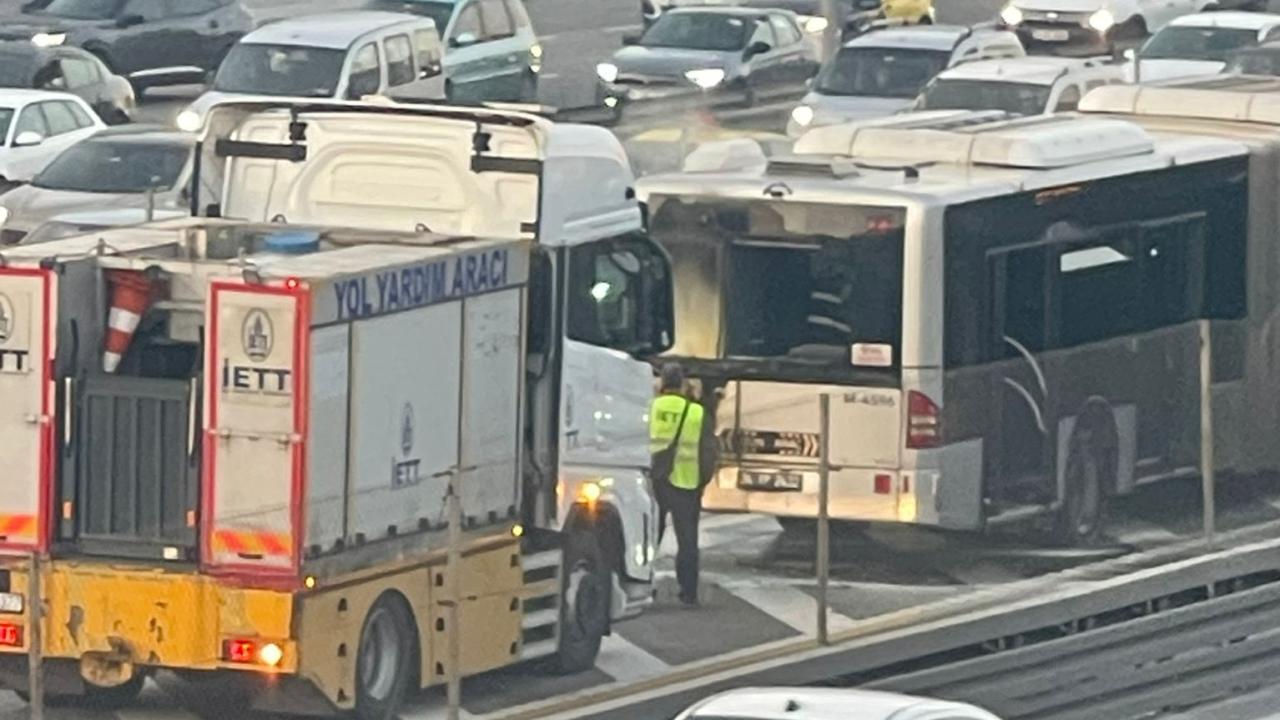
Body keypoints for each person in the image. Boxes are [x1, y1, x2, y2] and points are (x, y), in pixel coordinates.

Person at [650, 362, 712, 606]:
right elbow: (708, 453)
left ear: (662, 384)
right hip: (687, 484)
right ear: (683, 384)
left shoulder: (650, 407)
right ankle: (688, 592)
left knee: (648, 538)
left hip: (654, 481)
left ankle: (644, 584)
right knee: (687, 542)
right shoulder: (696, 412)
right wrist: (702, 480)